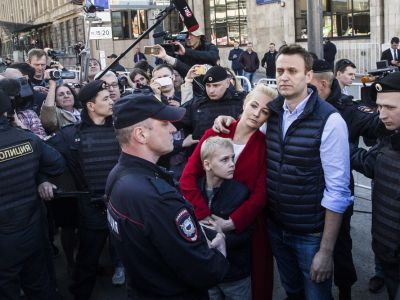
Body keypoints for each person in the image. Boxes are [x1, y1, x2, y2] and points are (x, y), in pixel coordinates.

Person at [214, 44, 352, 299]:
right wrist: (226, 121)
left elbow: (338, 191)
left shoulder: (330, 121)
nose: (284, 76)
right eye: (280, 71)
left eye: (292, 70)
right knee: (293, 293)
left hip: (310, 234)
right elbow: (248, 128)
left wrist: (326, 251)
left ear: (308, 76)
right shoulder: (273, 112)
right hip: (276, 229)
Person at [106, 94, 229, 299]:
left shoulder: (118, 175)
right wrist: (219, 250)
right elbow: (205, 271)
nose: (173, 129)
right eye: (164, 124)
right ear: (141, 134)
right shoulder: (156, 198)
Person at [181, 84, 277, 300]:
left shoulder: (265, 145)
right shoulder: (215, 133)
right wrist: (204, 215)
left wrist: (231, 222)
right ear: (244, 103)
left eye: (265, 112)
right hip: (206, 223)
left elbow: (261, 194)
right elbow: (187, 177)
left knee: (247, 286)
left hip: (245, 228)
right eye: (254, 105)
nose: (256, 113)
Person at [311, 59, 381, 300]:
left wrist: (380, 102)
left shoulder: (347, 108)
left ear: (321, 84)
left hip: (337, 190)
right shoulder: (299, 104)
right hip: (304, 191)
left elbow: (378, 127)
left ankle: (345, 290)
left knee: (340, 244)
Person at [46, 80, 119, 300]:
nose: (111, 101)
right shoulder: (70, 135)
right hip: (92, 209)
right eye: (105, 99)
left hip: (123, 207)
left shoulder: (121, 130)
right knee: (87, 261)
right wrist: (43, 181)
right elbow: (42, 157)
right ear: (90, 105)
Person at [0, 88, 65, 299]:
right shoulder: (27, 139)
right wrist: (40, 178)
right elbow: (56, 164)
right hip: (32, 231)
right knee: (38, 285)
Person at [350, 72, 400, 300]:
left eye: (390, 107)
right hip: (387, 250)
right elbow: (371, 164)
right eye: (380, 107)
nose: (382, 115)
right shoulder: (389, 138)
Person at [197, 136, 252, 300]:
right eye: (224, 160)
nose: (232, 164)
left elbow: (249, 232)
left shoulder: (240, 192)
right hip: (206, 273)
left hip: (235, 274)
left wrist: (223, 238)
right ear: (207, 165)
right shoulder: (194, 192)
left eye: (232, 158)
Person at [177, 65, 245, 142]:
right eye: (208, 85)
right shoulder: (196, 104)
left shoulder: (241, 102)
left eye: (216, 85)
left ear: (227, 83)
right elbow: (175, 122)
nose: (211, 90)